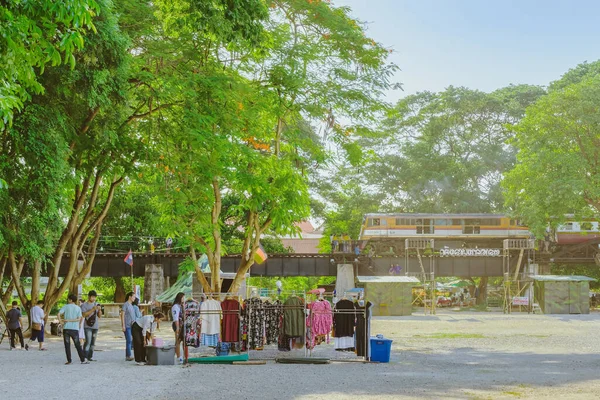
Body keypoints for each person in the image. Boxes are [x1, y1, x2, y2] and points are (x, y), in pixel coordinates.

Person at [58, 294, 89, 365]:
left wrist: (61, 322)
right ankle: (82, 359)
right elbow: (79, 318)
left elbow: (58, 314)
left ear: (70, 300)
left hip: (66, 328)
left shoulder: (66, 307)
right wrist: (79, 324)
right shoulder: (78, 308)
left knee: (67, 345)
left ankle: (69, 360)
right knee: (77, 344)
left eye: (68, 299)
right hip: (74, 328)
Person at [81, 290, 102, 362]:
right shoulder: (84, 305)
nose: (93, 299)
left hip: (95, 326)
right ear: (89, 296)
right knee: (88, 341)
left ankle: (90, 356)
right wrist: (93, 309)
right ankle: (84, 356)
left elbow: (99, 316)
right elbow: (84, 315)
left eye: (94, 297)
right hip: (87, 326)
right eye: (92, 297)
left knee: (93, 342)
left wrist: (99, 310)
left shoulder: (96, 304)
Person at [121, 292, 136, 361]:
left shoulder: (131, 305)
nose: (134, 298)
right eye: (133, 297)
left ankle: (129, 354)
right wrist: (123, 325)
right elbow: (122, 315)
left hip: (132, 325)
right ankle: (128, 355)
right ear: (130, 297)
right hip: (127, 325)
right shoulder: (125, 305)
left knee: (131, 340)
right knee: (129, 340)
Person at [171, 292, 185, 364]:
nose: (184, 299)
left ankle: (183, 356)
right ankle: (178, 356)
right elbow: (176, 318)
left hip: (182, 324)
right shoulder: (175, 307)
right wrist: (177, 327)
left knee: (183, 340)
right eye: (183, 298)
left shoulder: (181, 306)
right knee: (178, 340)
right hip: (177, 324)